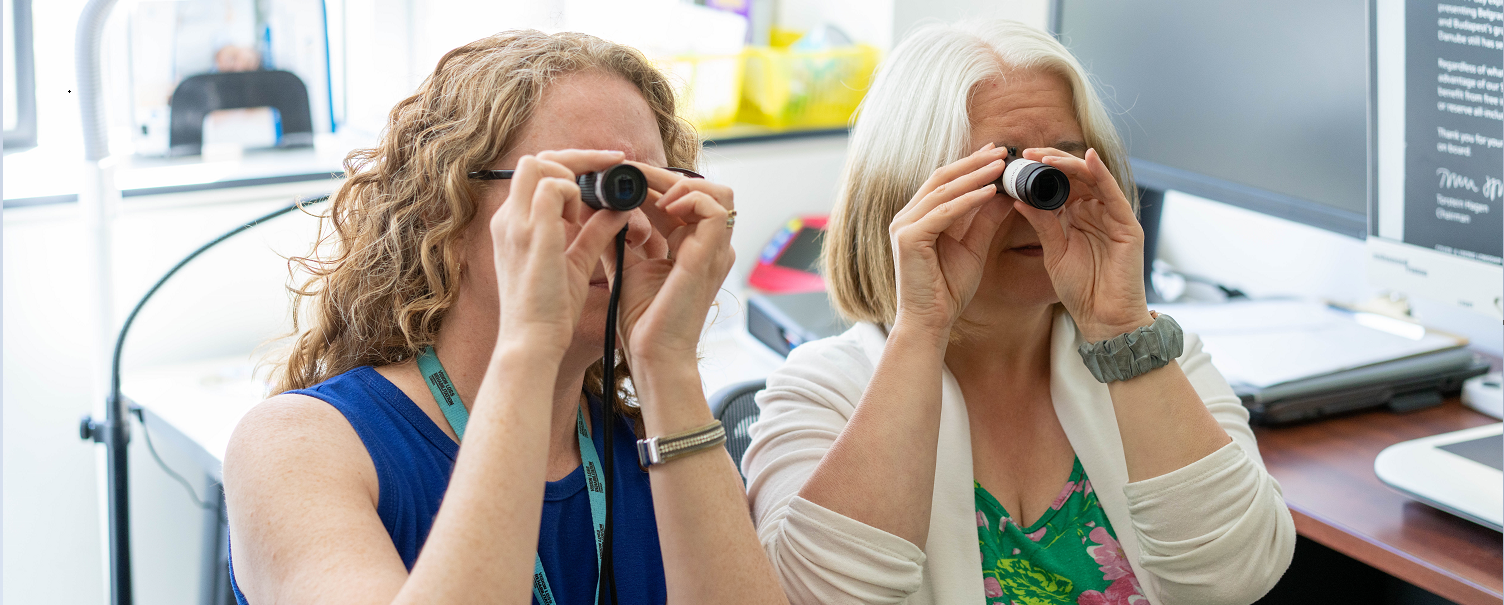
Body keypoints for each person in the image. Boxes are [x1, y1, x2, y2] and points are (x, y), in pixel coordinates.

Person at [223, 30, 788, 605]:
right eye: (580, 190)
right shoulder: (297, 447)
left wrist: (665, 364)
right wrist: (532, 343)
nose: (628, 227)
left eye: (646, 190)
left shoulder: (655, 448)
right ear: (442, 208)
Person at [741, 20, 1296, 605]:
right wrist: (922, 329)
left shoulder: (1153, 357)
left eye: (1061, 163)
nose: (1038, 202)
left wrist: (1119, 326)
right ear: (909, 193)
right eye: (997, 174)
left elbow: (1238, 579)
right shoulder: (819, 396)